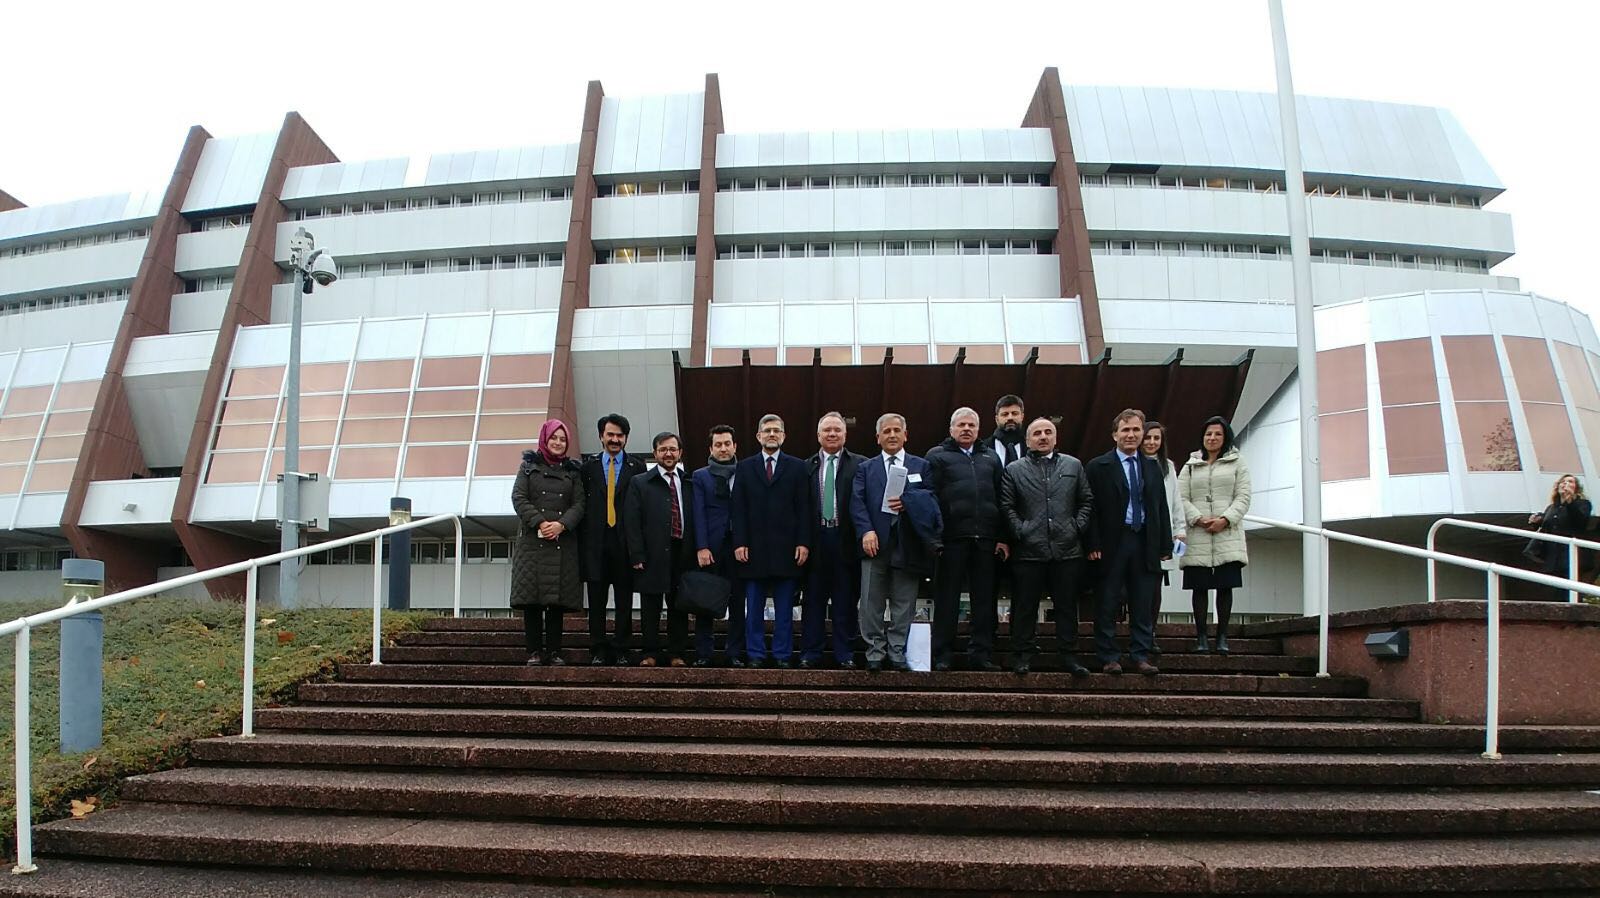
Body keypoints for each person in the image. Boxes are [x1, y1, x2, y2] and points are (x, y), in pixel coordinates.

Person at [1000, 417, 1093, 677]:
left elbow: (1086, 500)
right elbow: (1006, 507)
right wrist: (1021, 530)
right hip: (1028, 550)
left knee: (1065, 605)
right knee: (1025, 605)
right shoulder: (1014, 469)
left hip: (1067, 549)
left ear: (1055, 437)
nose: (1043, 437)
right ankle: (1022, 654)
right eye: (1037, 433)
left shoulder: (1073, 465)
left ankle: (1069, 655)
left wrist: (1076, 527)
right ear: (1028, 439)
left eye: (1048, 432)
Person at [1085, 408, 1172, 676]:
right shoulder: (1098, 466)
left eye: (1136, 429)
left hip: (1144, 540)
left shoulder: (1153, 467)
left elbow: (1160, 507)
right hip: (1112, 542)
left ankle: (1140, 654)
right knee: (1108, 600)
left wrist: (1165, 544)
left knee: (1142, 601)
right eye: (1125, 430)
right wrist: (1092, 543)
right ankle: (1109, 655)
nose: (1131, 435)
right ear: (1115, 435)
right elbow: (1090, 509)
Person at [851, 413, 940, 673]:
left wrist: (910, 502)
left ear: (905, 435)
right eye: (886, 431)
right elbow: (857, 503)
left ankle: (897, 651)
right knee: (870, 603)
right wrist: (866, 531)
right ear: (877, 437)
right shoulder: (865, 469)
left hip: (908, 544)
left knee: (904, 602)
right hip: (875, 543)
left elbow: (931, 498)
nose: (892, 435)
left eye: (896, 430)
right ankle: (875, 651)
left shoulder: (921, 466)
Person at [926, 407, 1010, 671]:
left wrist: (1003, 537)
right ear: (951, 429)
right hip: (951, 539)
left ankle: (981, 654)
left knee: (984, 600)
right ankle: (942, 654)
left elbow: (1002, 497)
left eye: (971, 425)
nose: (966, 429)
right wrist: (934, 538)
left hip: (985, 539)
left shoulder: (991, 458)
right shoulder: (936, 456)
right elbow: (929, 498)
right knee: (946, 599)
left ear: (978, 428)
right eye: (961, 424)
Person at [731, 414, 812, 668]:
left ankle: (782, 655)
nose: (772, 434)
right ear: (758, 436)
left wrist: (803, 542)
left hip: (787, 550)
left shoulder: (798, 467)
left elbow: (804, 509)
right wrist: (739, 542)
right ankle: (755, 654)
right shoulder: (744, 467)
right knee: (753, 609)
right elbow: (738, 508)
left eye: (777, 430)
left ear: (784, 436)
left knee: (785, 610)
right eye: (767, 430)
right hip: (753, 551)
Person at [509, 419, 585, 666]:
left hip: (562, 542)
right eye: (554, 438)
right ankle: (533, 651)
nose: (558, 443)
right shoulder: (528, 467)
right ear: (545, 438)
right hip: (533, 543)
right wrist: (541, 522)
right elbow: (519, 497)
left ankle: (554, 651)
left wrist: (561, 524)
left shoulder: (573, 472)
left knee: (555, 602)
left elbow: (580, 504)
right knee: (532, 601)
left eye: (563, 439)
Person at [1178, 416, 1252, 655]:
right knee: (1199, 588)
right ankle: (1201, 637)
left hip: (1226, 533)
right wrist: (1197, 518)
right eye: (1208, 434)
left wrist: (1225, 519)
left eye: (1217, 434)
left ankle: (1222, 637)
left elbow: (1243, 496)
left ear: (1225, 437)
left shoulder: (1237, 462)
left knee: (1224, 586)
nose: (1212, 438)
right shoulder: (1191, 464)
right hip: (1197, 533)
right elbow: (1180, 497)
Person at [625, 432, 697, 667]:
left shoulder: (688, 482)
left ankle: (677, 653)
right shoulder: (641, 482)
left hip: (682, 552)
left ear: (680, 453)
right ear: (655, 453)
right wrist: (636, 554)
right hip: (652, 553)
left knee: (679, 606)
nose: (668, 453)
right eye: (663, 449)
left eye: (673, 449)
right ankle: (650, 653)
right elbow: (632, 521)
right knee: (650, 606)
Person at [579, 413, 646, 665]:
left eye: (620, 435)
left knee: (624, 601)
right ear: (601, 436)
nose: (615, 440)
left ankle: (621, 648)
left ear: (626, 438)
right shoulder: (587, 468)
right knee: (596, 601)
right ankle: (597, 648)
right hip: (596, 544)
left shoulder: (637, 467)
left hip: (625, 544)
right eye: (610, 435)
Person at [802, 412, 866, 669]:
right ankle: (810, 652)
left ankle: (844, 653)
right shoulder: (805, 467)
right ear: (818, 435)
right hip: (815, 541)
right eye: (826, 430)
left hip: (845, 541)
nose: (831, 434)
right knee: (813, 600)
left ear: (845, 434)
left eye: (836, 430)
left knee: (845, 601)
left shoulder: (860, 464)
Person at [692, 425, 746, 666]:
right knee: (705, 601)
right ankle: (704, 653)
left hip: (739, 548)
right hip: (711, 548)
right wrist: (701, 546)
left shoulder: (746, 472)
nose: (723, 448)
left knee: (737, 602)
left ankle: (734, 652)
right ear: (711, 448)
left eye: (727, 444)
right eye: (718, 445)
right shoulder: (700, 475)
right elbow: (698, 513)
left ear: (735, 446)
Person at [1142, 420, 1187, 656]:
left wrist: (1180, 530)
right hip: (1138, 534)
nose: (1151, 442)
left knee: (1155, 588)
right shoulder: (1133, 464)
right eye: (1147, 437)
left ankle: (1151, 632)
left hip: (1162, 534)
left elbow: (1176, 502)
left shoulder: (1167, 466)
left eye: (1156, 438)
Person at [1527, 473, 1593, 598]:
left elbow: (1581, 521)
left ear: (1576, 488)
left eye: (1570, 482)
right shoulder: (1551, 508)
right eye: (1563, 481)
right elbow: (1548, 527)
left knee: (1571, 590)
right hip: (1554, 555)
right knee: (1555, 590)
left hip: (1572, 554)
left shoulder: (1583, 504)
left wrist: (1570, 501)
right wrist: (1536, 522)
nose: (1565, 484)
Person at [986, 395, 1027, 468]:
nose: (1010, 418)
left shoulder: (1030, 448)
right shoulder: (984, 448)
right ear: (997, 419)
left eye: (1014, 413)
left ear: (1022, 416)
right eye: (1005, 414)